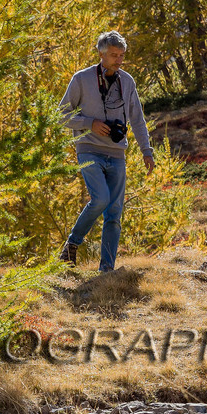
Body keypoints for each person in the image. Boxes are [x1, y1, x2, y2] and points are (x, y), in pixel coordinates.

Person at [58, 31, 154, 273]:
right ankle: (72, 243)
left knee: (114, 213)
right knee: (100, 199)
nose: (118, 60)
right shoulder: (81, 79)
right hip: (88, 149)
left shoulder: (127, 81)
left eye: (121, 55)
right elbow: (60, 115)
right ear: (101, 54)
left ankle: (106, 270)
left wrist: (146, 150)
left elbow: (138, 119)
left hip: (117, 153)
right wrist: (89, 123)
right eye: (113, 55)